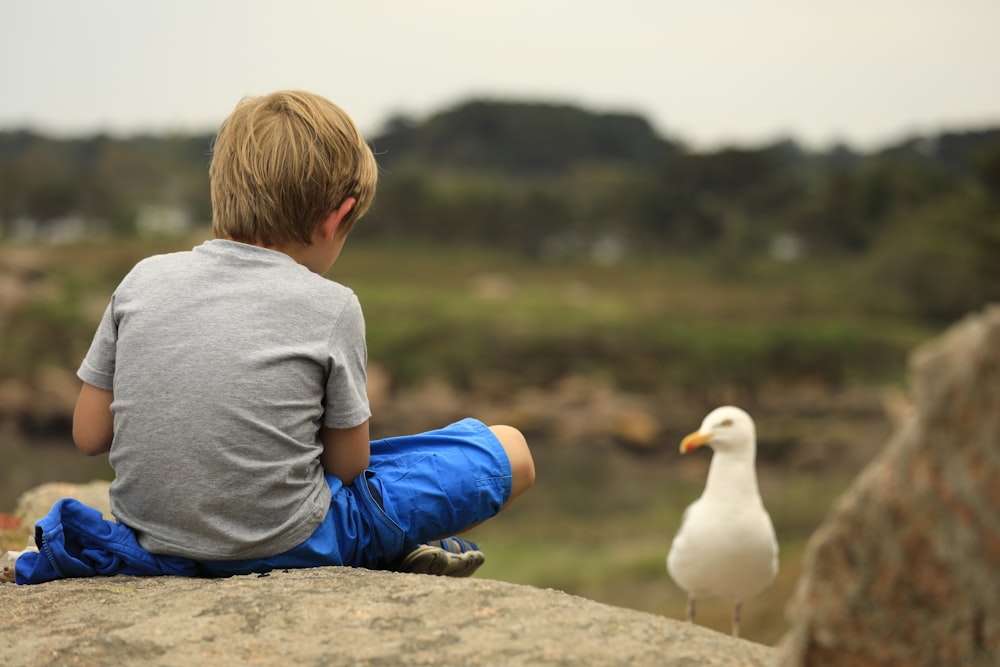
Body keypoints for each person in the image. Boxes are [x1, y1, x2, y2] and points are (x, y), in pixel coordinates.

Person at [5, 90, 534, 585]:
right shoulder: (333, 305)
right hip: (295, 542)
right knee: (510, 449)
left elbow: (89, 435)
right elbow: (348, 466)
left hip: (153, 542)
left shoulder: (141, 279)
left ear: (220, 186)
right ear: (339, 217)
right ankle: (380, 547)